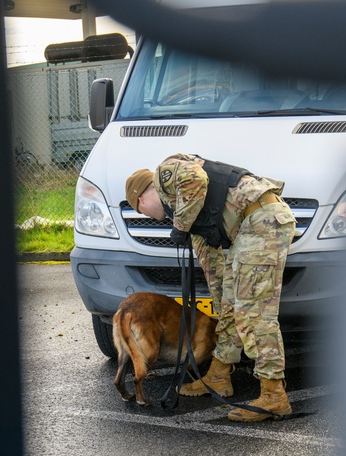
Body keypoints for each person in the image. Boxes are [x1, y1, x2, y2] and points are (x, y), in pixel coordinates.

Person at [125, 153, 296, 422]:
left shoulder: (165, 174)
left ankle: (274, 395)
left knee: (253, 311)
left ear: (141, 199)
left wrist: (179, 227)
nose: (152, 218)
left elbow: (197, 178)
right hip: (250, 229)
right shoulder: (194, 218)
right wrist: (223, 301)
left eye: (141, 211)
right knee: (228, 304)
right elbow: (216, 278)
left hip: (262, 220)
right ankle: (219, 375)